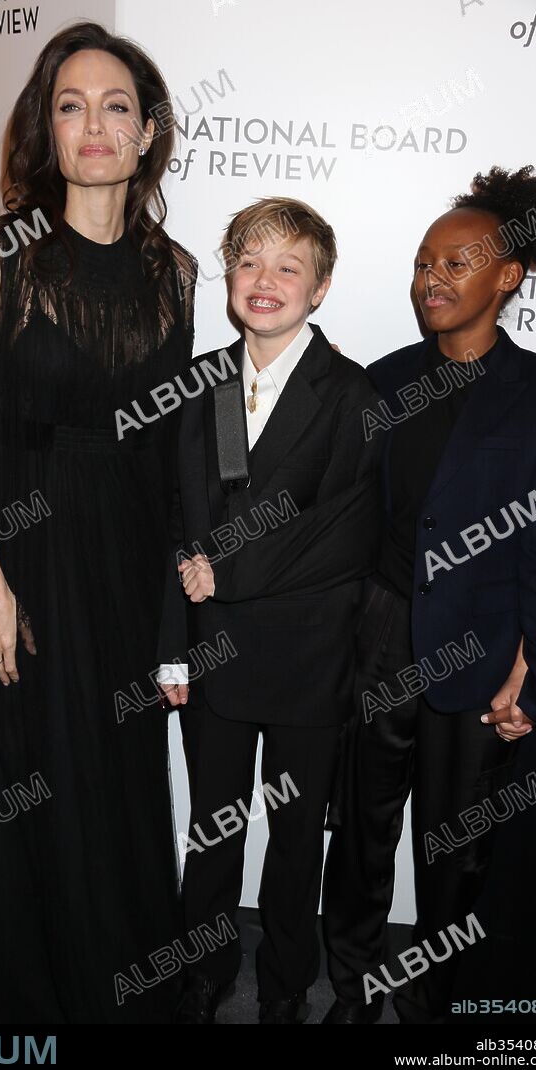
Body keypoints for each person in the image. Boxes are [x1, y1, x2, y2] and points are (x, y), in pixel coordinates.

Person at [0, 22, 196, 1023]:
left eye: (115, 106)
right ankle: (34, 999)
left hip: (127, 559)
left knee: (118, 776)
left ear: (144, 135)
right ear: (46, 129)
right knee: (28, 771)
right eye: (69, 104)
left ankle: (121, 985)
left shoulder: (174, 270)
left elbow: (172, 439)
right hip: (26, 547)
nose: (93, 124)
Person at [322, 166, 536, 1024]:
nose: (431, 277)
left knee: (456, 850)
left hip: (480, 644)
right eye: (422, 261)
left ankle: (435, 1002)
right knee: (359, 834)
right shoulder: (385, 380)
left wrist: (530, 669)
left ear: (507, 275)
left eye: (455, 261)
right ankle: (352, 985)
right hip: (379, 635)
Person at [158, 196, 383, 1024]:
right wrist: (172, 647)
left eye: (289, 266)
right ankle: (202, 968)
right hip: (213, 652)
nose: (265, 281)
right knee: (211, 832)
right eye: (249, 262)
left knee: (294, 842)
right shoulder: (200, 384)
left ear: (319, 288)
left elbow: (342, 535)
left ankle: (286, 981)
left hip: (308, 661)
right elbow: (173, 524)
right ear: (229, 278)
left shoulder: (352, 394)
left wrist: (224, 570)